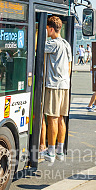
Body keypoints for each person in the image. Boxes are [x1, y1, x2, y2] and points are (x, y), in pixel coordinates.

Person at [40, 16, 72, 162]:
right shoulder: (66, 44)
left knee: (51, 118)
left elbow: (36, 47)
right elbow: (70, 68)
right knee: (60, 119)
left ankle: (50, 152)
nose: (45, 31)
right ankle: (60, 151)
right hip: (65, 85)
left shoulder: (52, 44)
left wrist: (37, 32)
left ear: (51, 29)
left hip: (53, 85)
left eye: (46, 28)